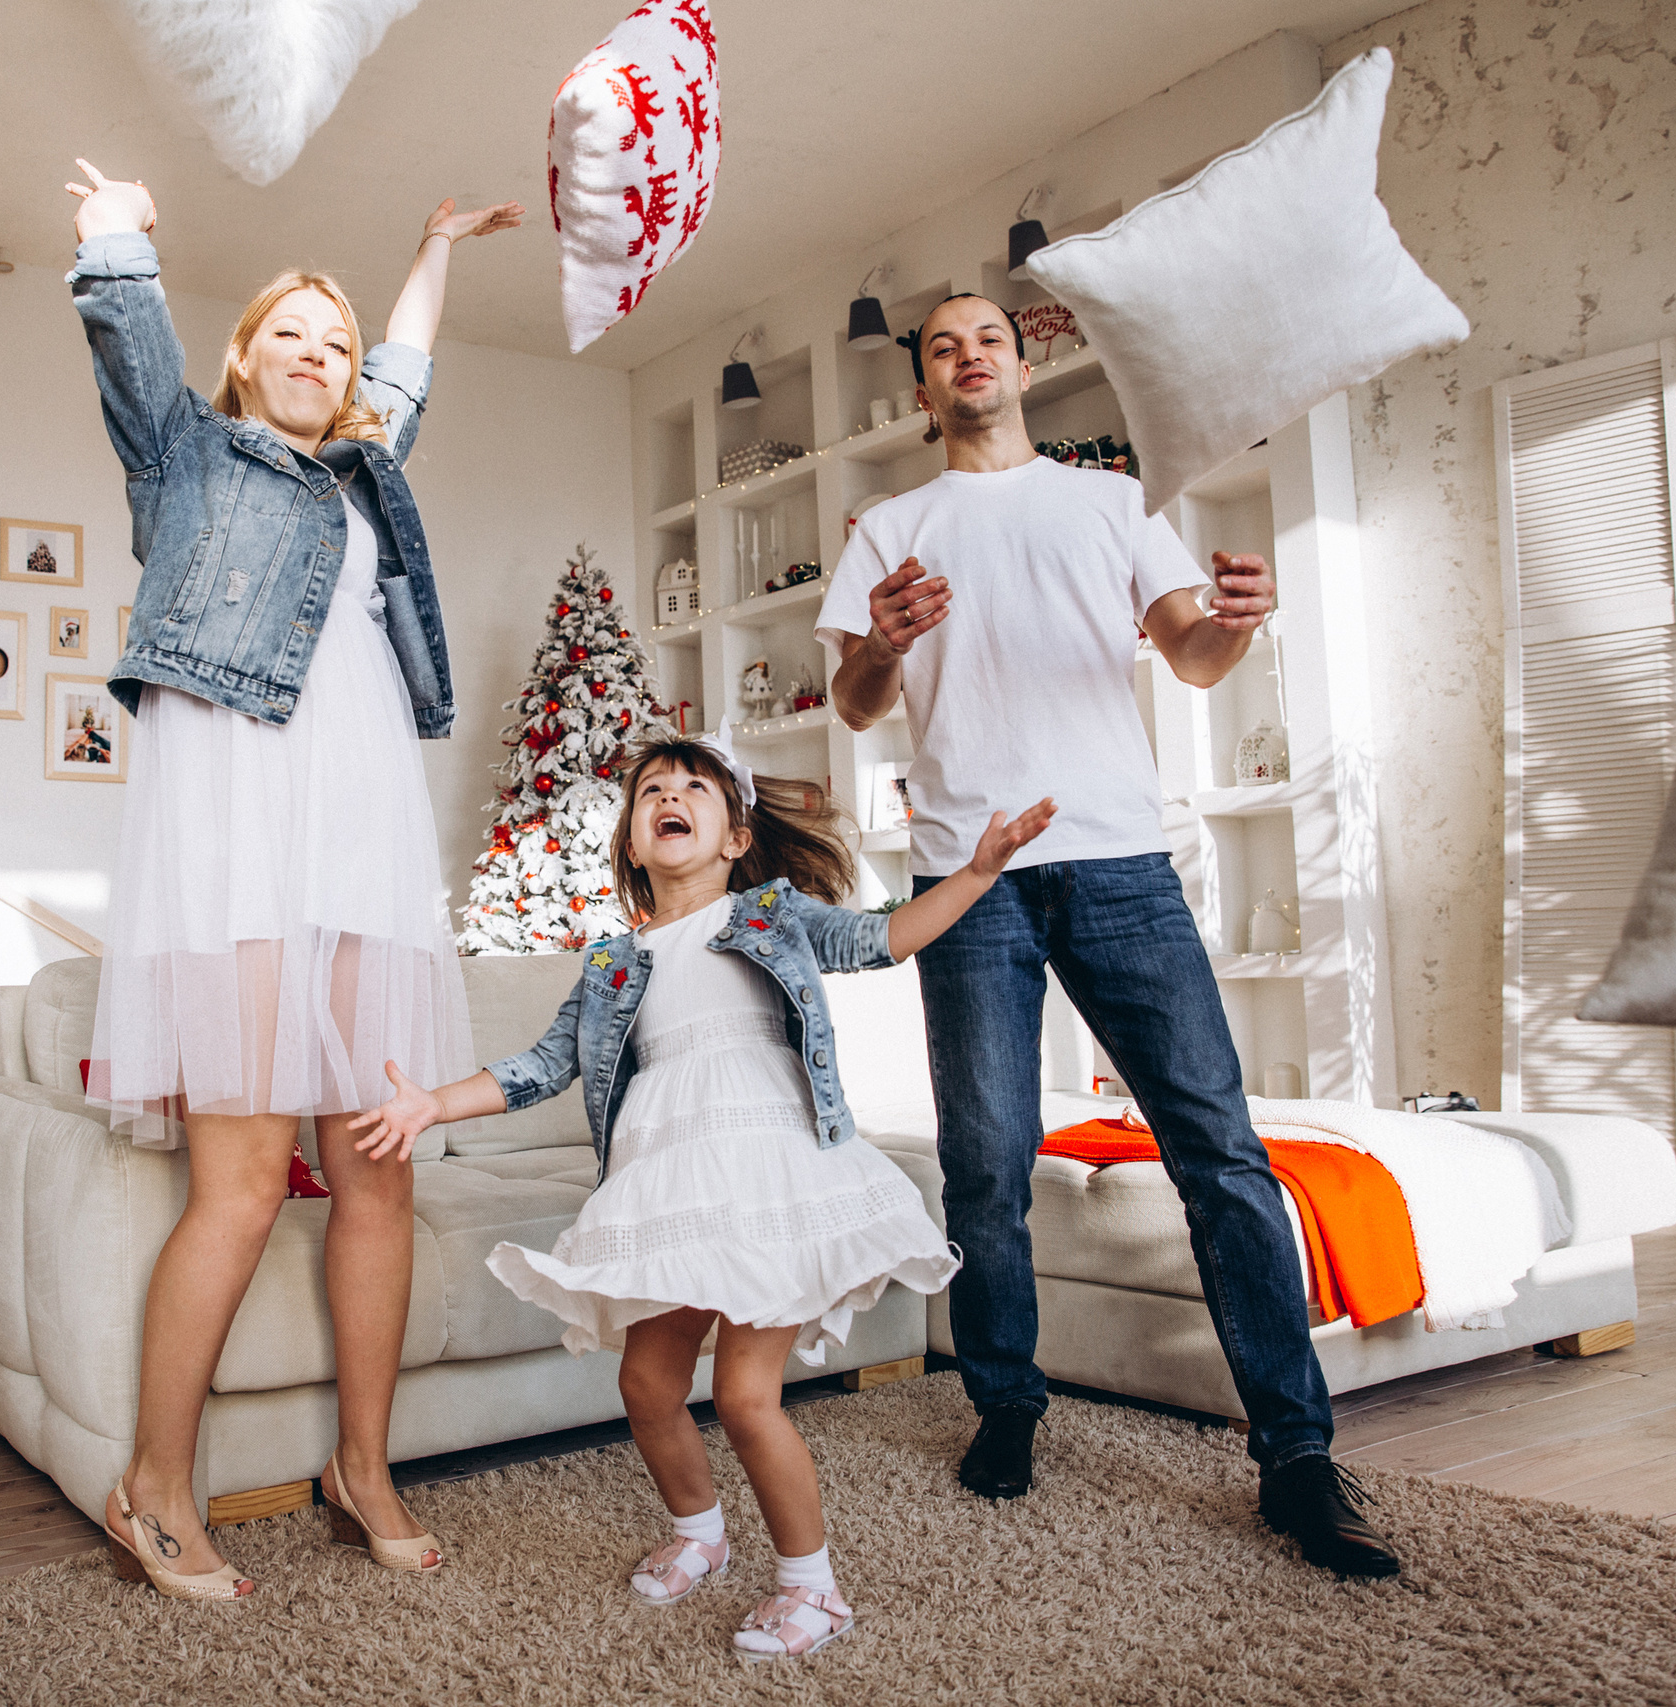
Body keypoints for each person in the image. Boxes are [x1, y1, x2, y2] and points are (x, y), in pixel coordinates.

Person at [816, 293, 1400, 1578]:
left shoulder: (1112, 502)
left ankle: (1296, 1455)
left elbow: (1187, 654)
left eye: (985, 340)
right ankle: (1008, 1406)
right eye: (940, 349)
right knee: (985, 1161)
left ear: (1021, 367)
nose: (967, 357)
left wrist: (1233, 623)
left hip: (1122, 867)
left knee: (1220, 1152)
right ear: (923, 389)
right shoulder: (889, 529)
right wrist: (881, 646)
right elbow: (859, 704)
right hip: (972, 880)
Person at [63, 157, 523, 1599]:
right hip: (238, 861)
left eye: (335, 341)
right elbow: (130, 354)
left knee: (378, 1174)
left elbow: (408, 366)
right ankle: (152, 1482)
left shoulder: (369, 473)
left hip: (364, 853)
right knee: (247, 1182)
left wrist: (434, 238)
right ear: (245, 359)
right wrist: (118, 236)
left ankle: (361, 1465)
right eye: (291, 335)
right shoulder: (186, 458)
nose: (320, 356)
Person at [352, 733, 1054, 1656]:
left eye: (693, 787)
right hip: (669, 1183)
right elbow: (542, 1065)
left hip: (771, 1175)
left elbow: (881, 936)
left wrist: (973, 875)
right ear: (636, 843)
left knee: (744, 1394)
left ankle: (814, 1588)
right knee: (645, 1383)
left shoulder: (772, 913)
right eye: (651, 790)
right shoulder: (613, 965)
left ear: (734, 837)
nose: (668, 796)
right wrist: (433, 1102)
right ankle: (699, 1528)